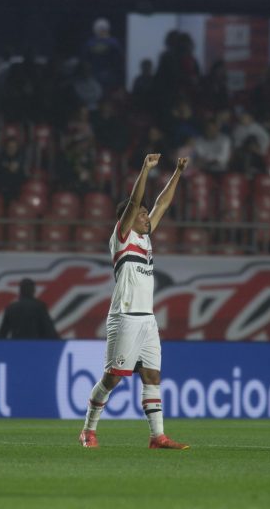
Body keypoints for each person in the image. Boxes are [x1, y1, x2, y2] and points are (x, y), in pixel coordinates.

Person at [79, 153, 190, 450]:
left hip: (147, 319)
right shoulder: (123, 236)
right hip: (125, 316)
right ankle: (88, 430)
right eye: (141, 214)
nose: (146, 216)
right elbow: (133, 203)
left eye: (145, 214)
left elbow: (162, 203)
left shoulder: (145, 237)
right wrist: (144, 169)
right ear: (127, 219)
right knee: (113, 378)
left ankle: (158, 436)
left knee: (152, 375)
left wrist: (177, 172)